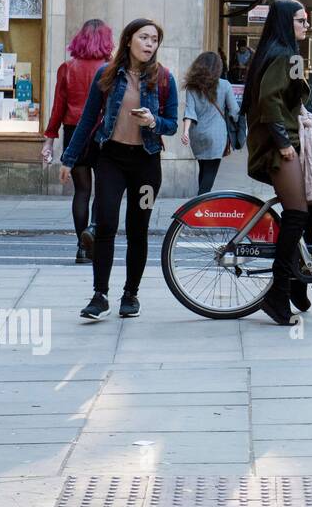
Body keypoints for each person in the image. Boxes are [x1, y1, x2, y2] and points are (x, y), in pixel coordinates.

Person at [61, 19, 178, 321]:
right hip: (110, 160)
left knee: (138, 230)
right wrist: (69, 158)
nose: (150, 43)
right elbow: (87, 120)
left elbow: (172, 124)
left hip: (147, 164)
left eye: (154, 39)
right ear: (129, 40)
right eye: (144, 37)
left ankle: (131, 294)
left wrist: (153, 122)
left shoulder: (164, 78)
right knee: (106, 225)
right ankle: (100, 295)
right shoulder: (107, 74)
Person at [242, 0, 312, 325]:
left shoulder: (294, 55)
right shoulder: (283, 55)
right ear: (286, 22)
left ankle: (300, 280)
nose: (306, 26)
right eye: (301, 21)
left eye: (307, 22)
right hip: (277, 145)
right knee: (298, 213)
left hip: (290, 139)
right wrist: (285, 143)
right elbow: (269, 100)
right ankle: (278, 291)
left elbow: (298, 95)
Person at [42, 18, 114, 264]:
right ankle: (92, 231)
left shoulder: (67, 68)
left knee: (82, 191)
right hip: (103, 133)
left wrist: (49, 139)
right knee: (103, 190)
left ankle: (81, 248)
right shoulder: (110, 68)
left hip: (74, 132)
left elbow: (58, 108)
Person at [181, 51, 239, 194]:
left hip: (197, 134)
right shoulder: (225, 85)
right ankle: (198, 206)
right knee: (210, 174)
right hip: (217, 135)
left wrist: (185, 132)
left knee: (203, 169)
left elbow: (189, 111)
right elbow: (234, 111)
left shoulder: (191, 87)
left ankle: (199, 208)